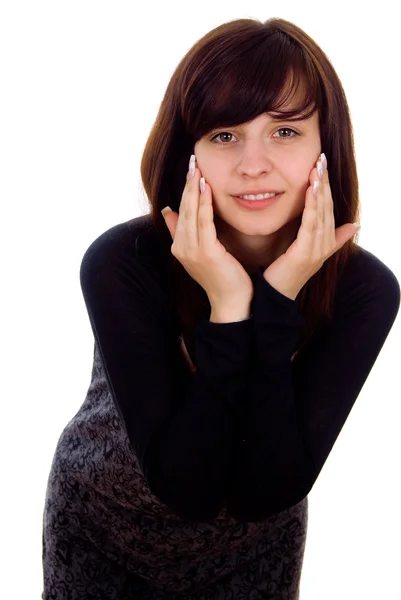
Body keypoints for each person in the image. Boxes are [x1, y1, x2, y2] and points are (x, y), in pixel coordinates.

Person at [41, 16, 400, 600]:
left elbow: (265, 492)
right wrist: (228, 306)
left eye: (285, 132)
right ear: (190, 154)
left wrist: (277, 300)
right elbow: (185, 485)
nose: (253, 165)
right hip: (103, 526)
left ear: (325, 147)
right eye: (224, 135)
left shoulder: (364, 289)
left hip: (254, 552)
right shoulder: (123, 260)